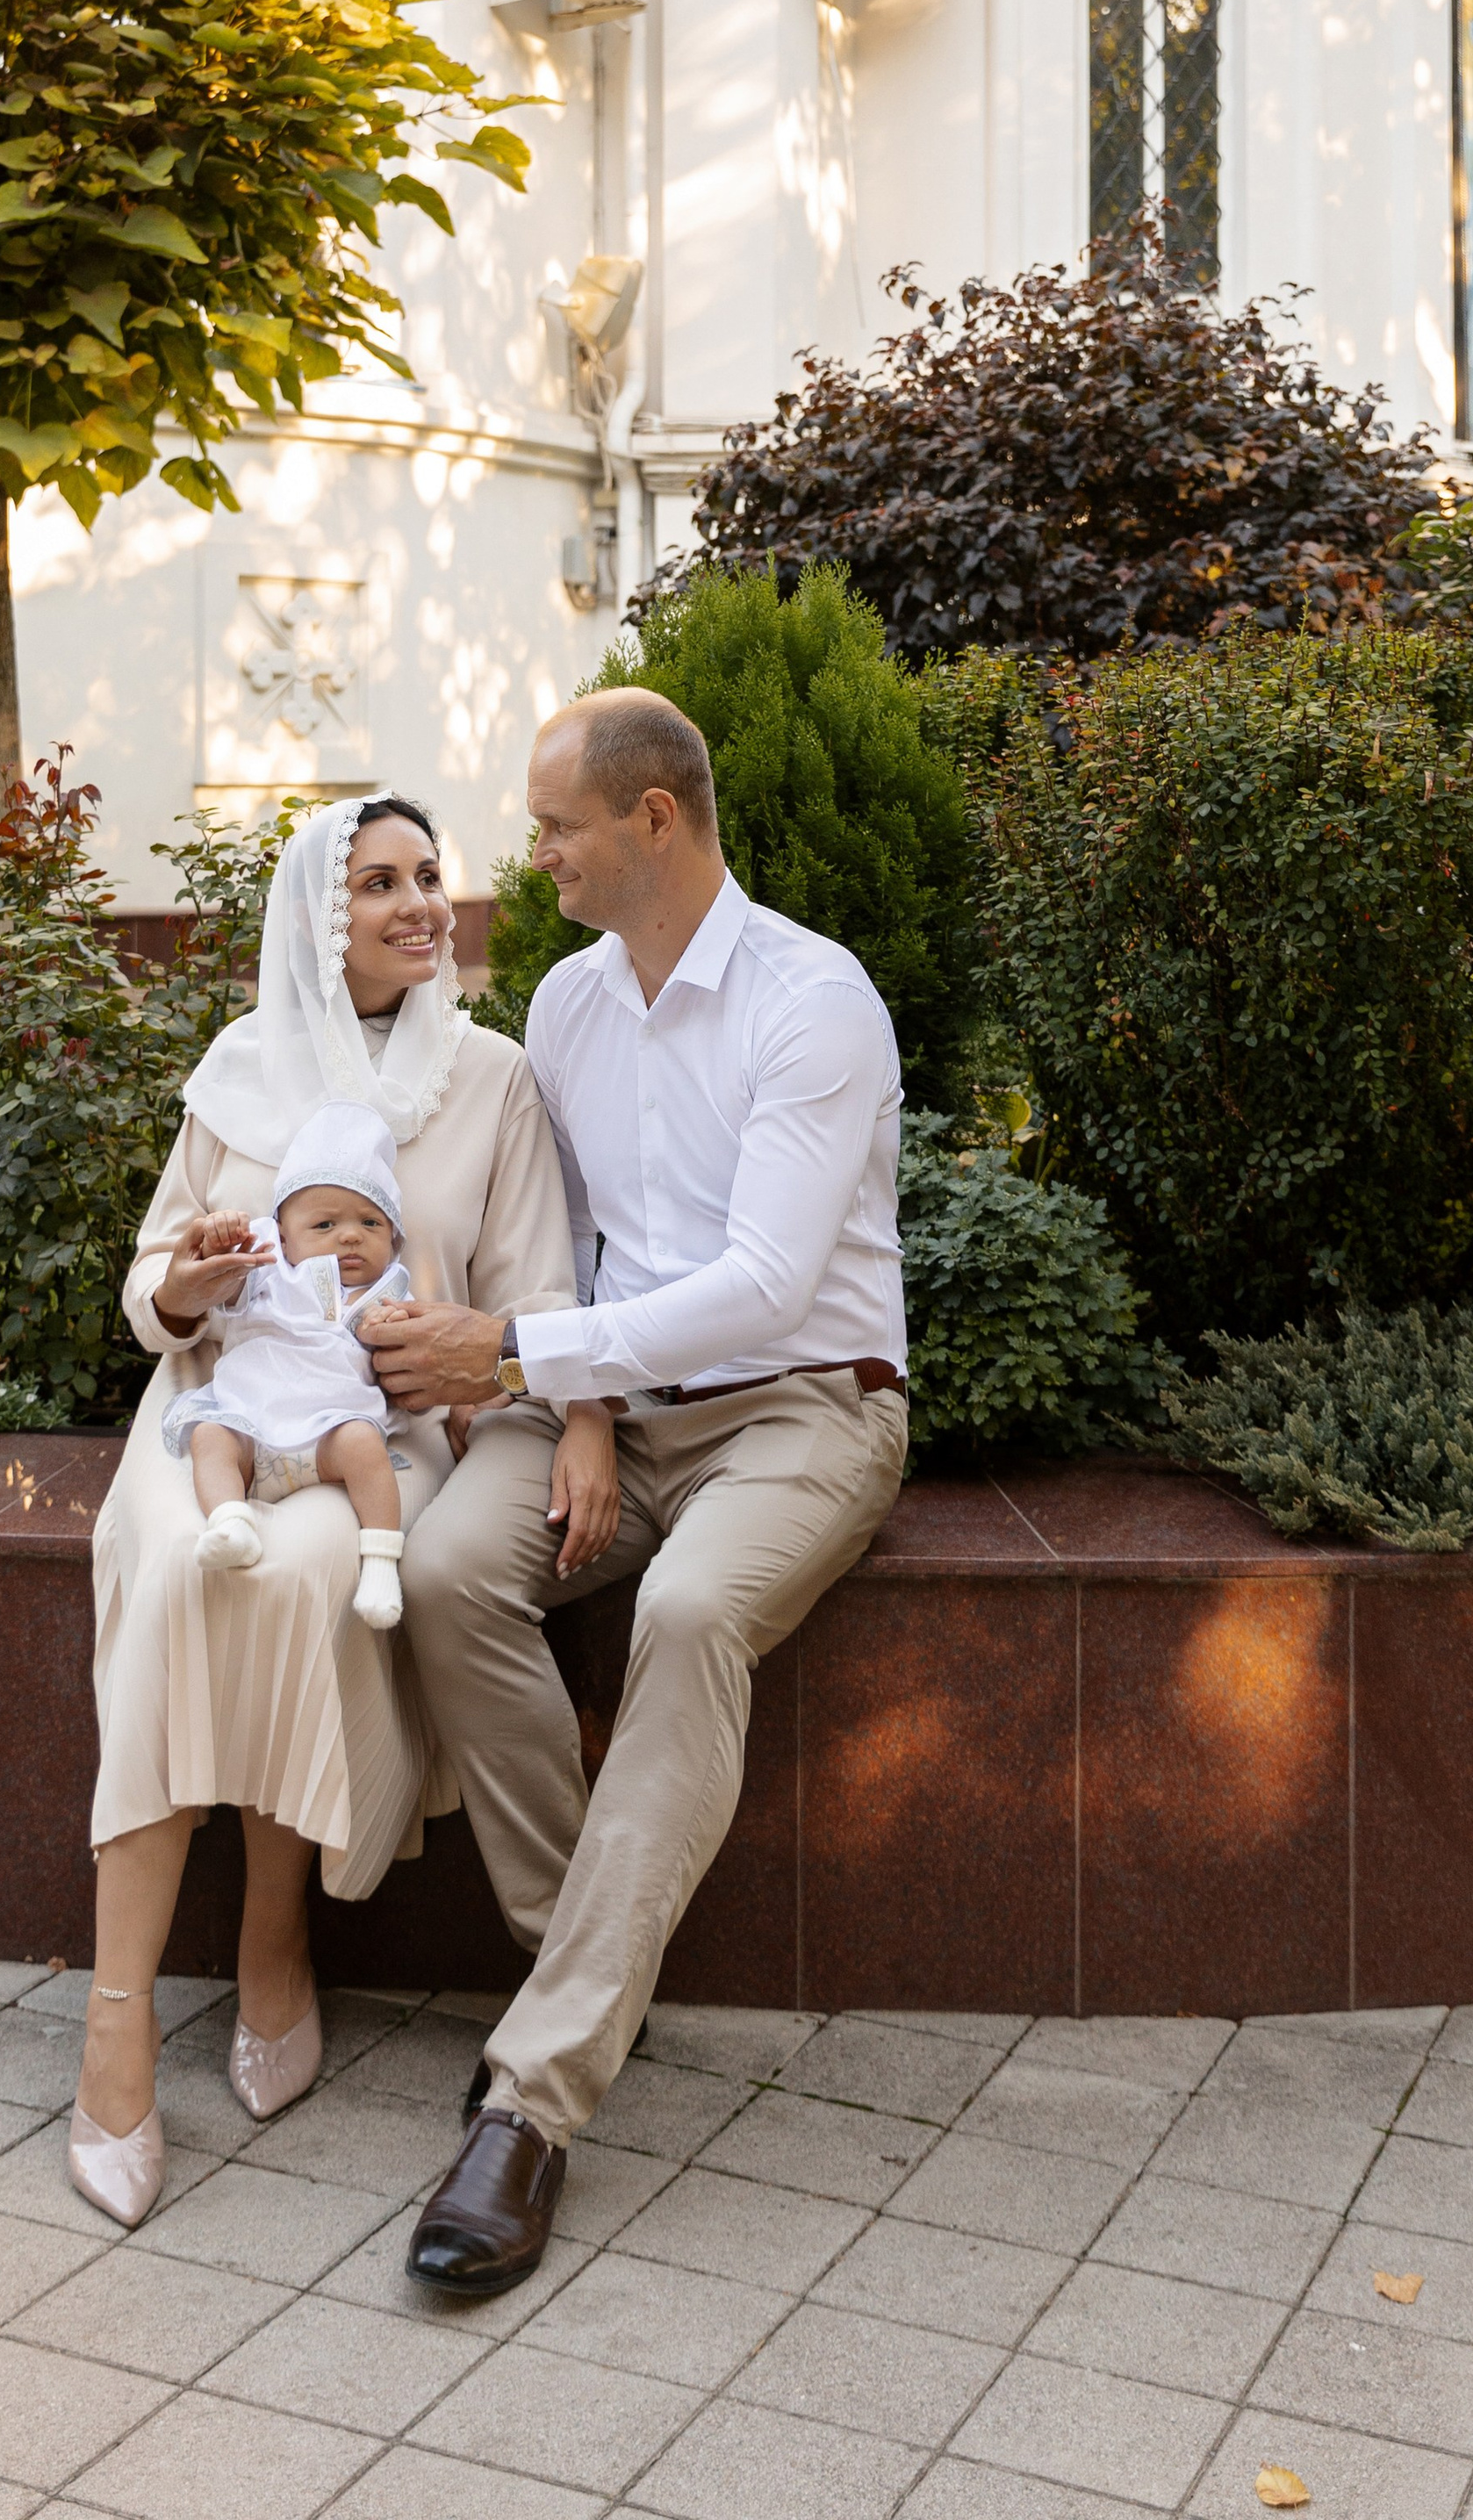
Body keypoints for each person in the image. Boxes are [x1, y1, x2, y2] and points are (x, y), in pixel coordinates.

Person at [366, 687, 910, 2294]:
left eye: (557, 830)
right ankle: (577, 1962)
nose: (533, 861)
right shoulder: (567, 1009)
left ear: (654, 820)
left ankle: (533, 2102)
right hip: (611, 1405)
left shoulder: (816, 1001)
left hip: (804, 1411)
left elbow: (760, 1283)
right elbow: (584, 1242)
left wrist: (526, 1351)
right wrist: (579, 1402)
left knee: (683, 1612)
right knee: (454, 1566)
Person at [70, 793, 578, 2233]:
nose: (419, 903)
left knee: (302, 1572)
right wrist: (196, 1280)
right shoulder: (237, 1072)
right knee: (184, 1568)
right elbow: (148, 1287)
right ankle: (116, 2026)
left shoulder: (493, 1082)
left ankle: (276, 1933)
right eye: (378, 883)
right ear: (315, 915)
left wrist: (463, 1345)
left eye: (430, 877)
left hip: (379, 1432)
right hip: (214, 1418)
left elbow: (538, 1300)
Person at [164, 1097, 413, 1626]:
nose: (350, 1235)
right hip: (250, 1427)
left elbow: (399, 1351)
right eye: (324, 1224)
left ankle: (381, 1565)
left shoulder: (385, 1291)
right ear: (281, 1234)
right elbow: (220, 1284)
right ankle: (231, 1521)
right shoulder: (263, 1270)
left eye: (371, 1221)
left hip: (328, 1438)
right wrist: (224, 1239)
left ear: (392, 1238)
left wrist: (389, 1331)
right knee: (211, 1436)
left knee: (364, 1447)